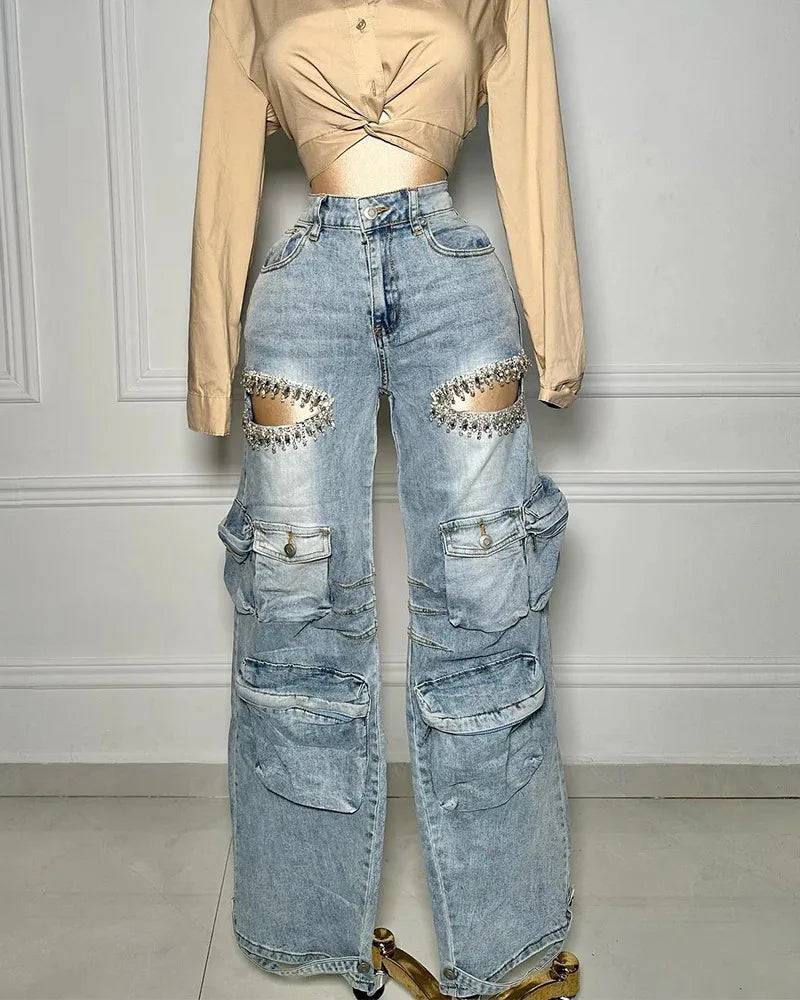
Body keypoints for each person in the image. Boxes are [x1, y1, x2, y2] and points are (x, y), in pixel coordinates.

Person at [188, 2, 585, 997]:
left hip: (453, 282)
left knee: (486, 595)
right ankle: (306, 925)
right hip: (304, 287)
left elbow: (531, 141)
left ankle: (500, 931)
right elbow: (226, 164)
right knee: (294, 601)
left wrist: (559, 337)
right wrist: (206, 367)